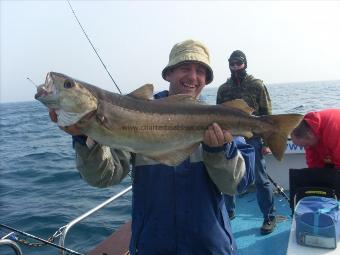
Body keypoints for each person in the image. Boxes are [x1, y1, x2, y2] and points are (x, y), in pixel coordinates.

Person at [49, 40, 255, 255]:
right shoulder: (132, 115)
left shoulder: (219, 119)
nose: (193, 77)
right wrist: (85, 139)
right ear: (168, 74)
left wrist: (218, 152)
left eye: (201, 71)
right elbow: (103, 177)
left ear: (206, 80)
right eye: (185, 68)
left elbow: (237, 185)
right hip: (152, 246)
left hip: (209, 246)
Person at [216, 50, 276, 235]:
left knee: (260, 178)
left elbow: (267, 114)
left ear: (245, 63)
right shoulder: (223, 89)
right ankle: (230, 212)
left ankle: (269, 216)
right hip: (230, 139)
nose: (235, 67)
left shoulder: (257, 85)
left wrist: (267, 142)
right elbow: (216, 114)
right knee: (228, 176)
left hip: (254, 138)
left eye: (239, 63)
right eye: (232, 64)